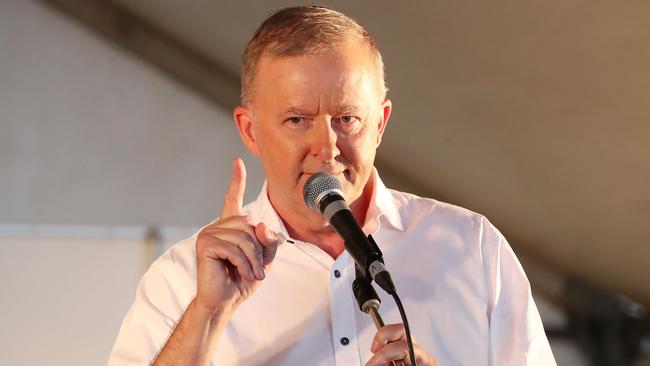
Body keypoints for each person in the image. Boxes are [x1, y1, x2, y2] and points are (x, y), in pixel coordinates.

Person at [108, 6, 556, 366]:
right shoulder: (183, 278)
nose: (327, 148)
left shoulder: (472, 249)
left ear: (379, 123)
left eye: (347, 119)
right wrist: (207, 314)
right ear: (250, 131)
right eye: (297, 120)